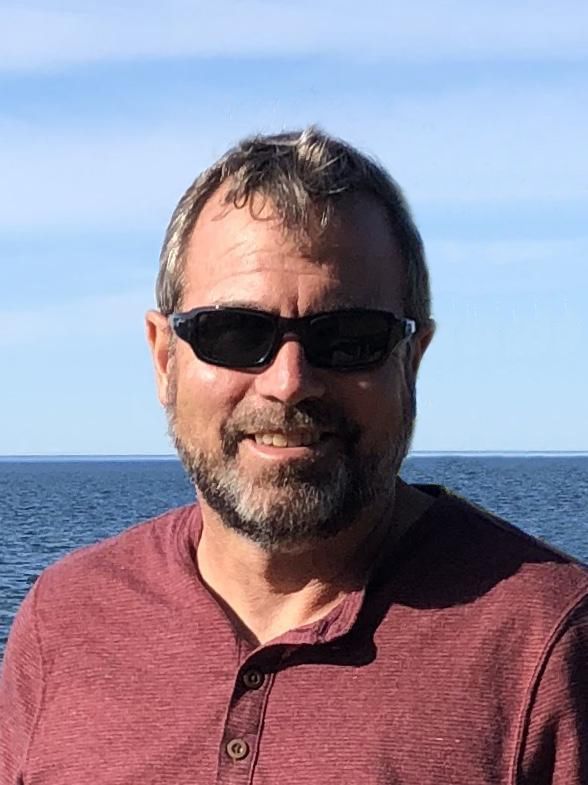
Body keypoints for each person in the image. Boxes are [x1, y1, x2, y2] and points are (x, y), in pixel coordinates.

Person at [1, 127, 587, 785]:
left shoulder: (549, 641)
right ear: (164, 356)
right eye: (233, 332)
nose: (289, 380)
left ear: (411, 360)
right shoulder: (65, 620)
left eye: (349, 336)